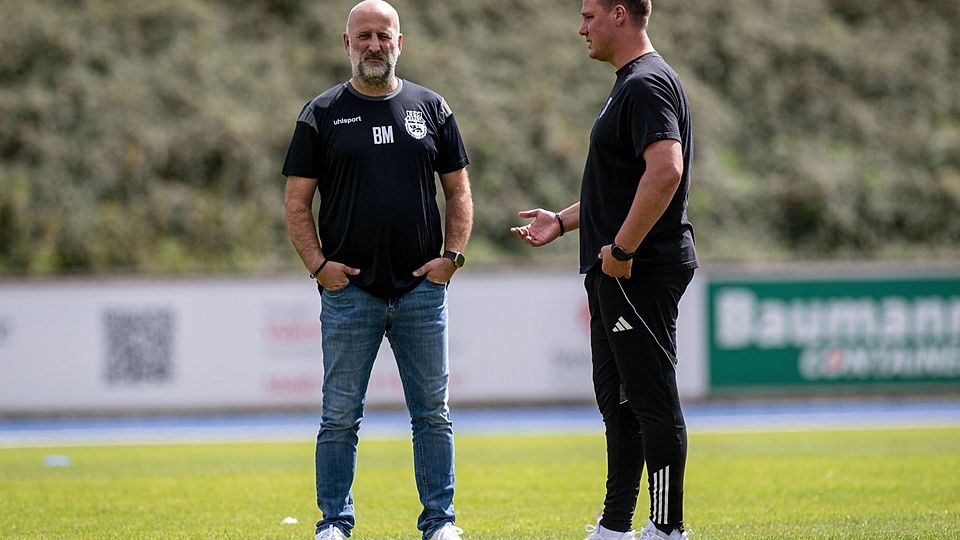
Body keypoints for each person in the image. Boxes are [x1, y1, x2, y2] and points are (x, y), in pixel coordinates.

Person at [281, 1, 473, 539]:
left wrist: (451, 259)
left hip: (420, 292)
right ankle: (334, 524)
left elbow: (458, 191)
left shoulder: (432, 108)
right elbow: (296, 203)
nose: (373, 45)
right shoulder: (319, 114)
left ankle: (440, 523)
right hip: (349, 295)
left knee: (432, 414)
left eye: (382, 36)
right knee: (340, 417)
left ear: (399, 42)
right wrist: (318, 266)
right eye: (362, 36)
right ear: (347, 43)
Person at [511, 1, 696, 539]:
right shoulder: (629, 84)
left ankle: (666, 529)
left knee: (652, 398)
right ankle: (616, 528)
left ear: (620, 14)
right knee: (620, 405)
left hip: (637, 270)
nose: (581, 27)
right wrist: (565, 222)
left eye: (590, 15)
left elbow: (666, 170)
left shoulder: (646, 84)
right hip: (617, 269)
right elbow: (620, 185)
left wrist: (622, 248)